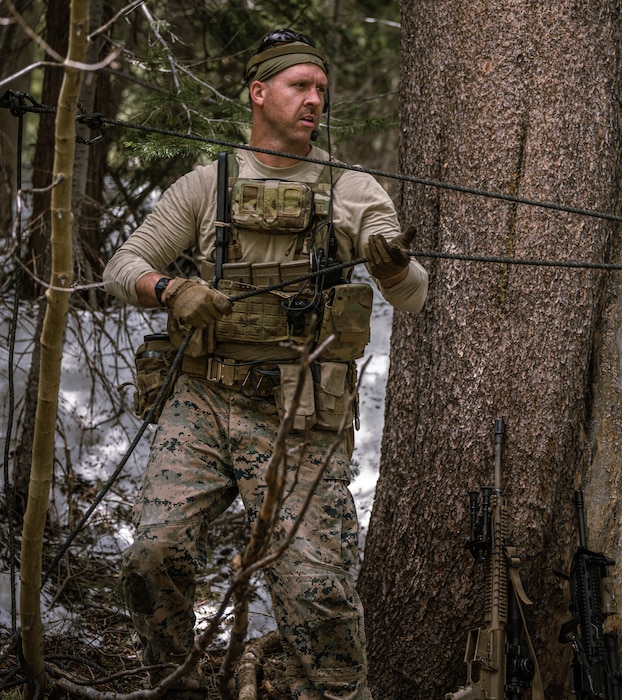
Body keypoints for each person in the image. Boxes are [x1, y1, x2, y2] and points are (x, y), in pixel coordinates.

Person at [103, 28, 427, 700]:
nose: (314, 99)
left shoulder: (353, 188)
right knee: (151, 557)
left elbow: (412, 292)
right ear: (259, 92)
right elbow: (121, 267)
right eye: (298, 86)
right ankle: (176, 685)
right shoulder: (204, 186)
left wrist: (389, 260)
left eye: (320, 90)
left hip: (299, 410)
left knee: (315, 586)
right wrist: (172, 289)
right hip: (201, 399)